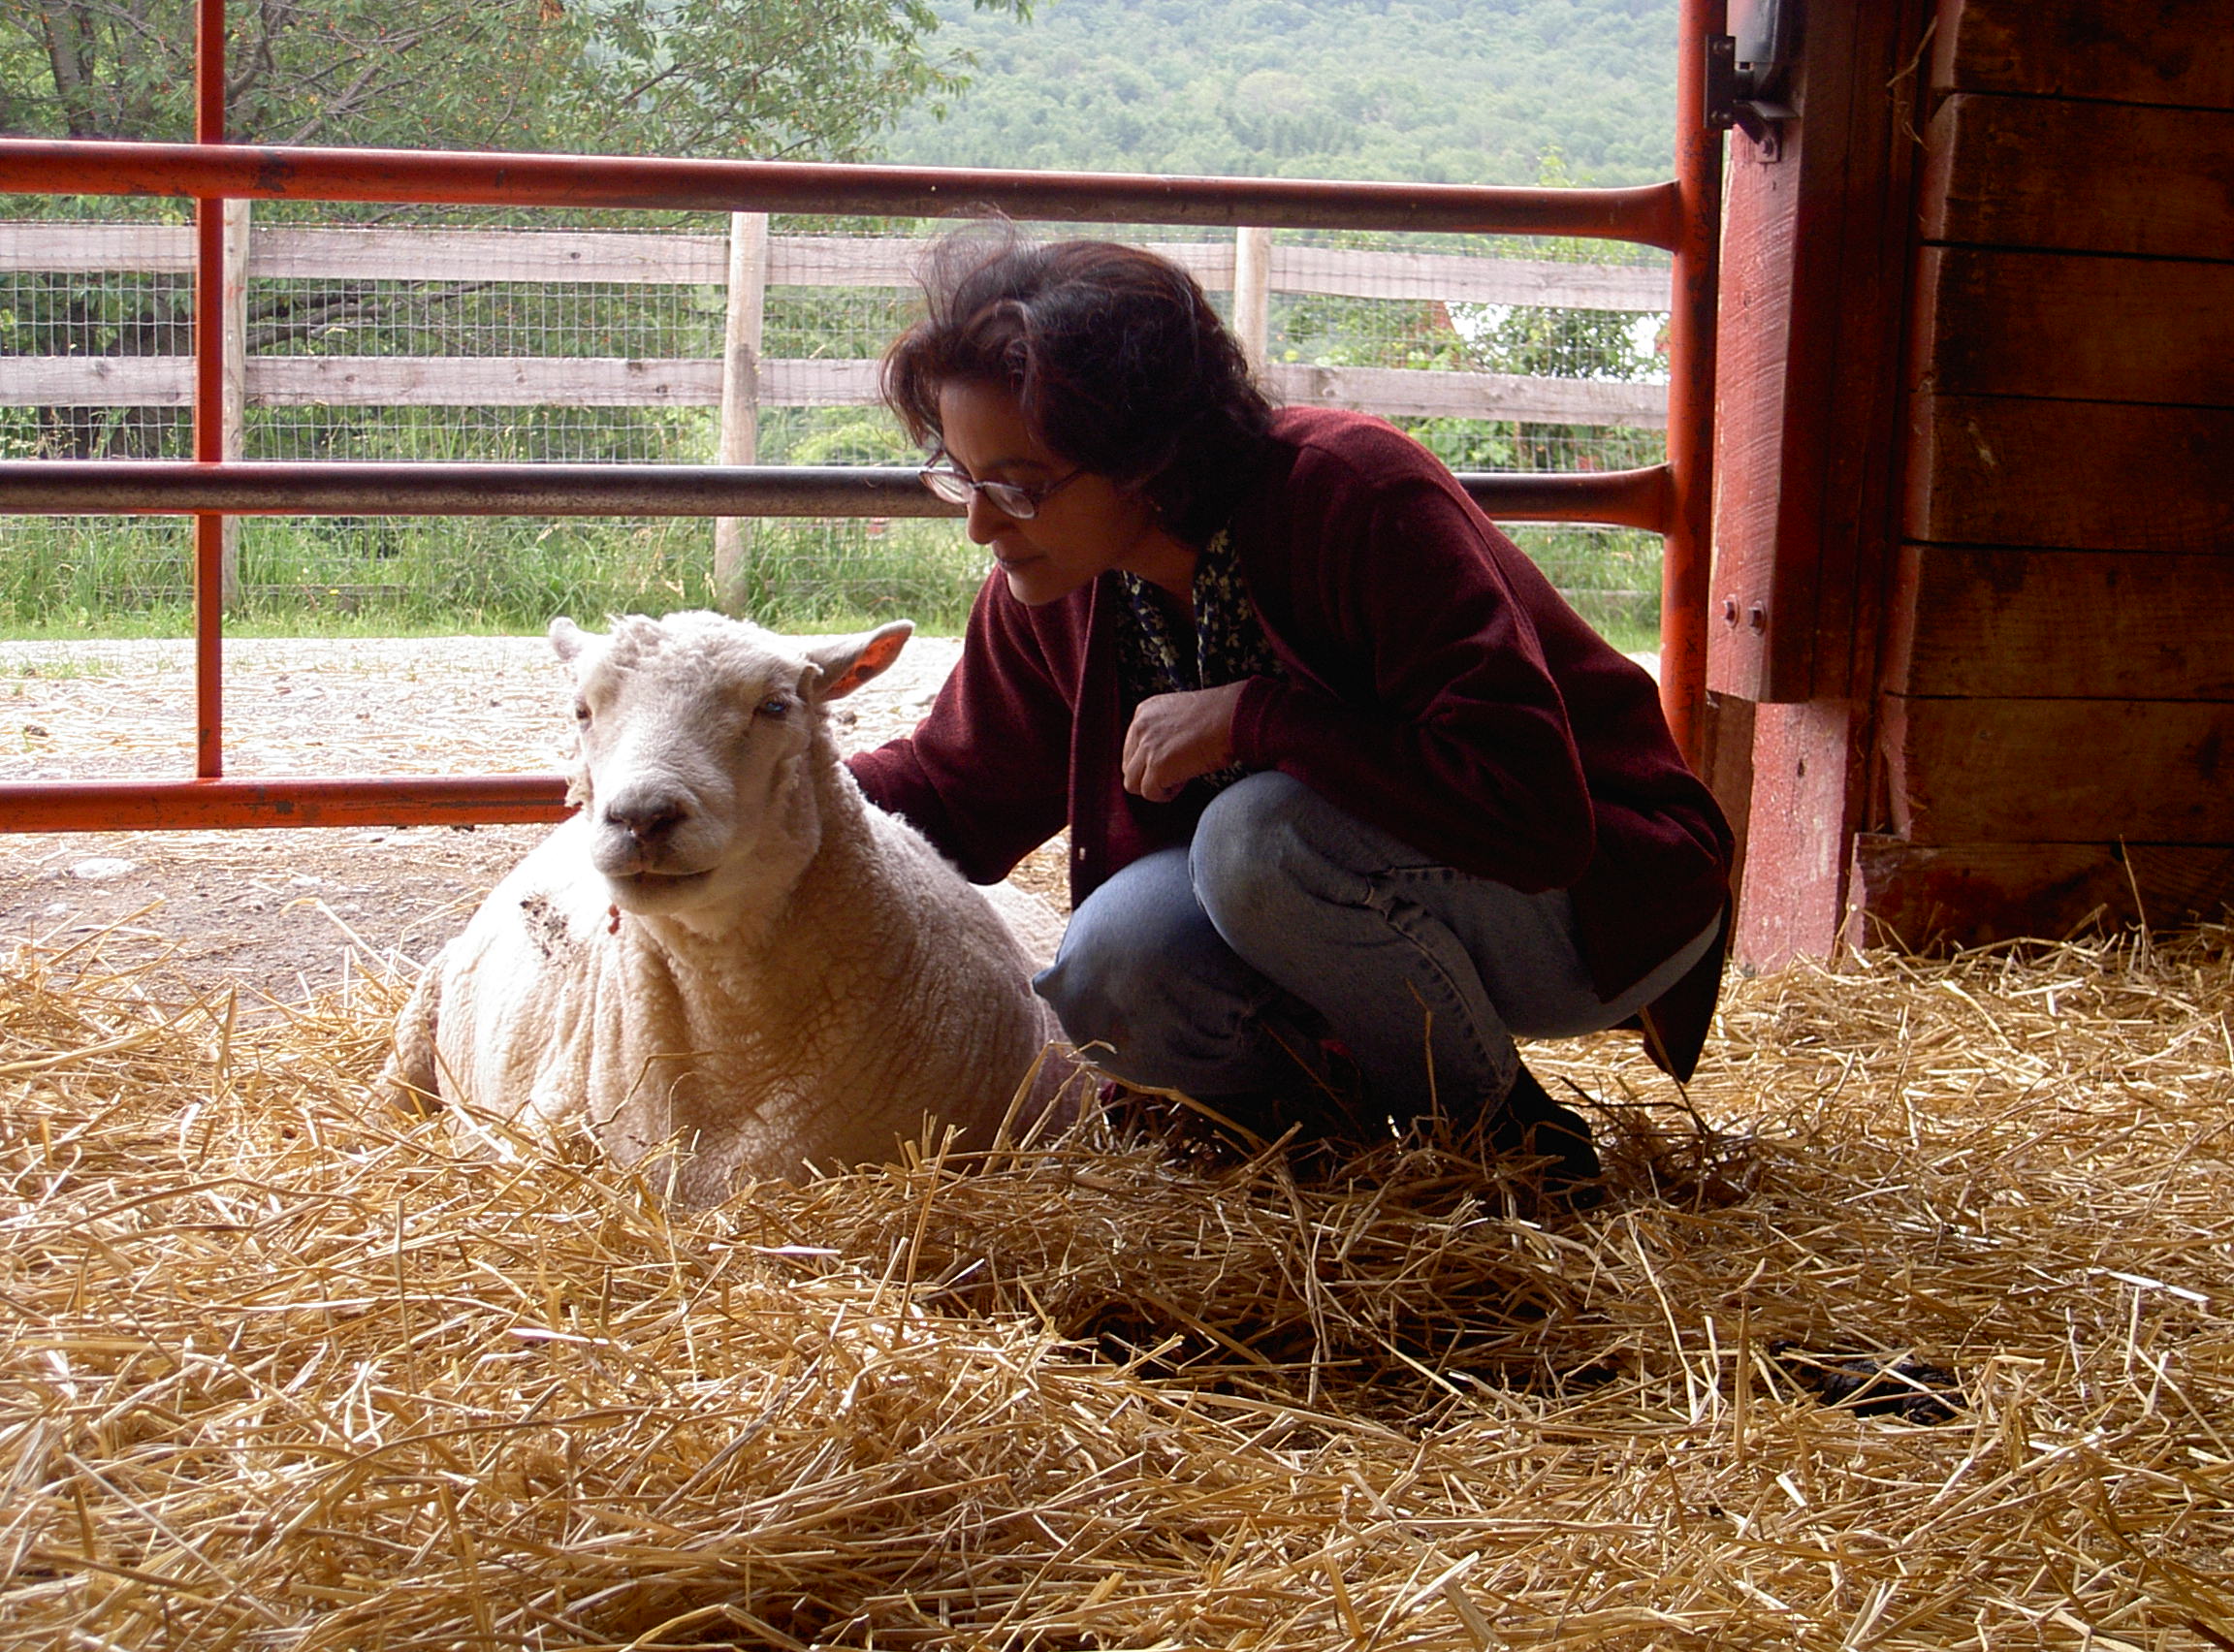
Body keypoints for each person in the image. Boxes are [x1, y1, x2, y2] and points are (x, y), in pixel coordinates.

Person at [847, 232, 1733, 1193]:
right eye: (961, 477)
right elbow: (955, 791)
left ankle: (1501, 1149)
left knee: (1252, 840)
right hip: (1358, 907)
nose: (980, 523)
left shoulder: (1354, 497)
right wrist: (762, 793)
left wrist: (1257, 718)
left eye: (1016, 486)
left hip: (1596, 897)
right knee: (1108, 972)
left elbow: (1536, 813)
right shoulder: (1056, 588)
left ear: (1144, 456)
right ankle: (1333, 1157)